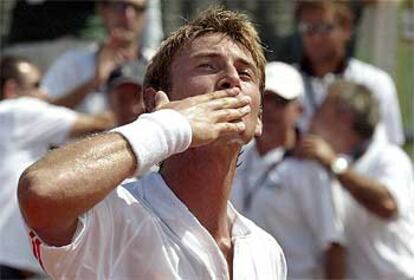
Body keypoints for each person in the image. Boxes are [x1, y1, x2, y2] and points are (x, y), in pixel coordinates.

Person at [18, 8, 287, 279]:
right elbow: (41, 190)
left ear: (259, 118)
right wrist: (170, 125)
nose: (232, 79)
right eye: (207, 65)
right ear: (153, 102)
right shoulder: (117, 215)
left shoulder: (266, 251)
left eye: (245, 73)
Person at [0, 56, 114, 279]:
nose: (45, 94)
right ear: (12, 89)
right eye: (36, 85)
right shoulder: (18, 111)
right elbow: (100, 124)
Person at [231, 62, 345, 279]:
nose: (270, 110)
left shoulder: (312, 168)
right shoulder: (235, 153)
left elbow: (334, 246)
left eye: (280, 102)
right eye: (265, 100)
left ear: (299, 110)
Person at [298, 80, 414, 279]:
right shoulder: (333, 165)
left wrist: (334, 165)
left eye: (321, 110)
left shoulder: (389, 157)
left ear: (344, 118)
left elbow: (387, 205)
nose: (312, 119)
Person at [295, 0, 404, 146]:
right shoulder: (285, 81)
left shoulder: (375, 82)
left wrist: (336, 164)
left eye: (324, 28)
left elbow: (391, 146)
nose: (315, 37)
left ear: (346, 29)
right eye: (307, 28)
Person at [41, 0, 152, 114]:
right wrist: (94, 82)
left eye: (138, 9)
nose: (128, 15)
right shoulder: (72, 63)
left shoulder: (158, 62)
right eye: (120, 6)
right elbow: (42, 116)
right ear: (102, 10)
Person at [106, 61, 147, 126]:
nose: (132, 109)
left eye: (138, 97)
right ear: (110, 103)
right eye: (122, 100)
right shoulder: (100, 134)